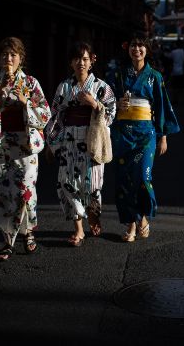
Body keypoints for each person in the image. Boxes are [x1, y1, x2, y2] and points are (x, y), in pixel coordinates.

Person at [0, 36, 51, 261]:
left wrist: (26, 102)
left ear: (20, 59)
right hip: (3, 146)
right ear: (0, 59)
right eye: (5, 55)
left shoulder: (31, 83)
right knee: (5, 193)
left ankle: (28, 233)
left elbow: (45, 114)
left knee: (26, 191)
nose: (8, 58)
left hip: (26, 147)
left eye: (13, 55)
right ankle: (8, 240)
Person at [106, 32, 180, 242]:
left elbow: (161, 107)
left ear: (146, 50)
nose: (136, 49)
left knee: (143, 178)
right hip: (122, 133)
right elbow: (106, 100)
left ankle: (144, 217)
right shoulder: (118, 75)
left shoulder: (155, 76)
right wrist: (116, 104)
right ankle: (130, 224)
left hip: (146, 134)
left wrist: (163, 135)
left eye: (140, 46)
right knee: (123, 179)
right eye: (133, 46)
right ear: (127, 49)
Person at [45, 42, 117, 247]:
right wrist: (52, 144)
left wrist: (94, 104)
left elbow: (111, 114)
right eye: (77, 59)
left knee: (93, 184)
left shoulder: (101, 87)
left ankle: (93, 214)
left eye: (85, 59)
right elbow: (55, 116)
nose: (81, 63)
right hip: (69, 140)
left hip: (93, 139)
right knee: (67, 184)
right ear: (71, 63)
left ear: (91, 61)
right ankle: (78, 229)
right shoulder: (64, 87)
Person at [167, 39, 184, 104]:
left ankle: (175, 100)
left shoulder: (174, 52)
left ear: (176, 45)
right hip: (183, 72)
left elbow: (168, 57)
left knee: (174, 87)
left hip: (175, 72)